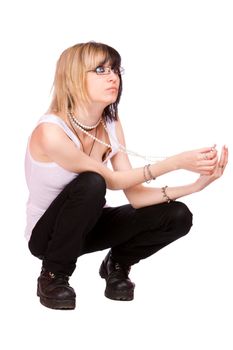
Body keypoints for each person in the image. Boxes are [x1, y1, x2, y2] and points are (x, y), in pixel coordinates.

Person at [25, 41, 228, 310]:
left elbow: (136, 196)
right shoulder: (51, 131)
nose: (113, 77)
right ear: (73, 76)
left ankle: (117, 264)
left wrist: (195, 186)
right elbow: (113, 181)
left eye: (115, 69)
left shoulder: (110, 123)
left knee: (177, 216)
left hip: (91, 225)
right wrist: (176, 162)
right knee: (92, 182)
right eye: (100, 69)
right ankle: (53, 275)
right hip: (49, 238)